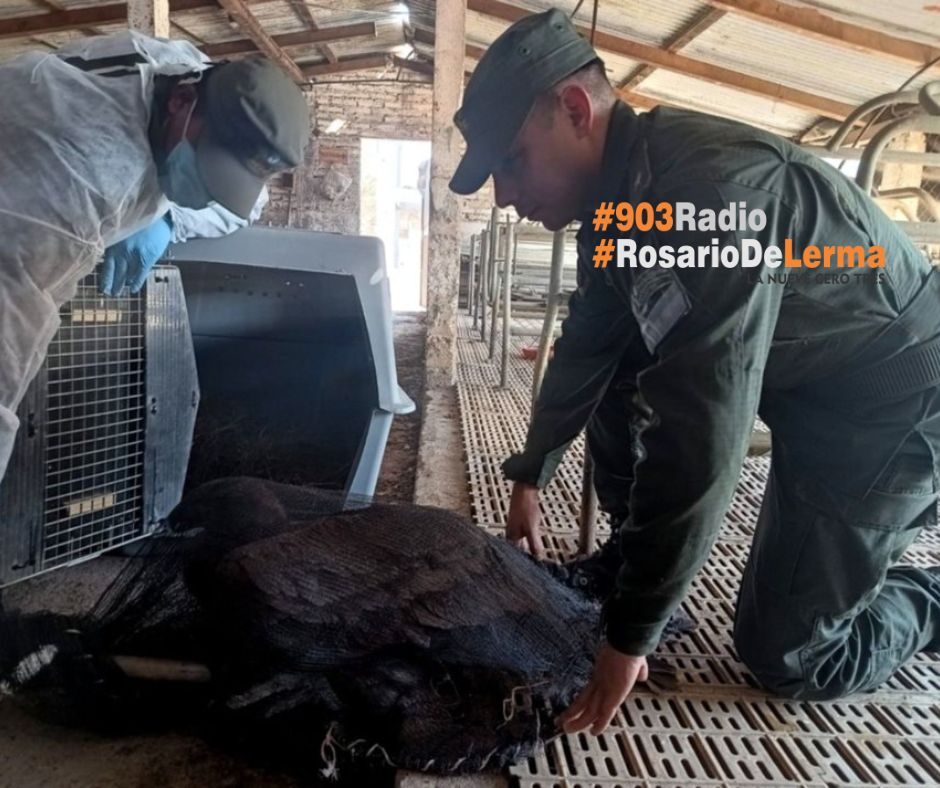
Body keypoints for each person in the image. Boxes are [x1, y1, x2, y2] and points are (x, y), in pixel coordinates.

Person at [449, 8, 940, 735]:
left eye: (513, 160)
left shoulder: (709, 203)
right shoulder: (621, 205)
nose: (506, 197)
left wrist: (629, 636)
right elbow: (589, 339)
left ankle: (924, 599)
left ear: (577, 110)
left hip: (886, 413)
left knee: (792, 655)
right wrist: (532, 472)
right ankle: (637, 557)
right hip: (810, 386)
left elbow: (704, 429)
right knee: (620, 357)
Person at [0, 31, 310, 482]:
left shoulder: (187, 69)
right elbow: (9, 334)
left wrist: (170, 220)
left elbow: (245, 206)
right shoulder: (82, 191)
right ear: (180, 103)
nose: (206, 193)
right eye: (208, 164)